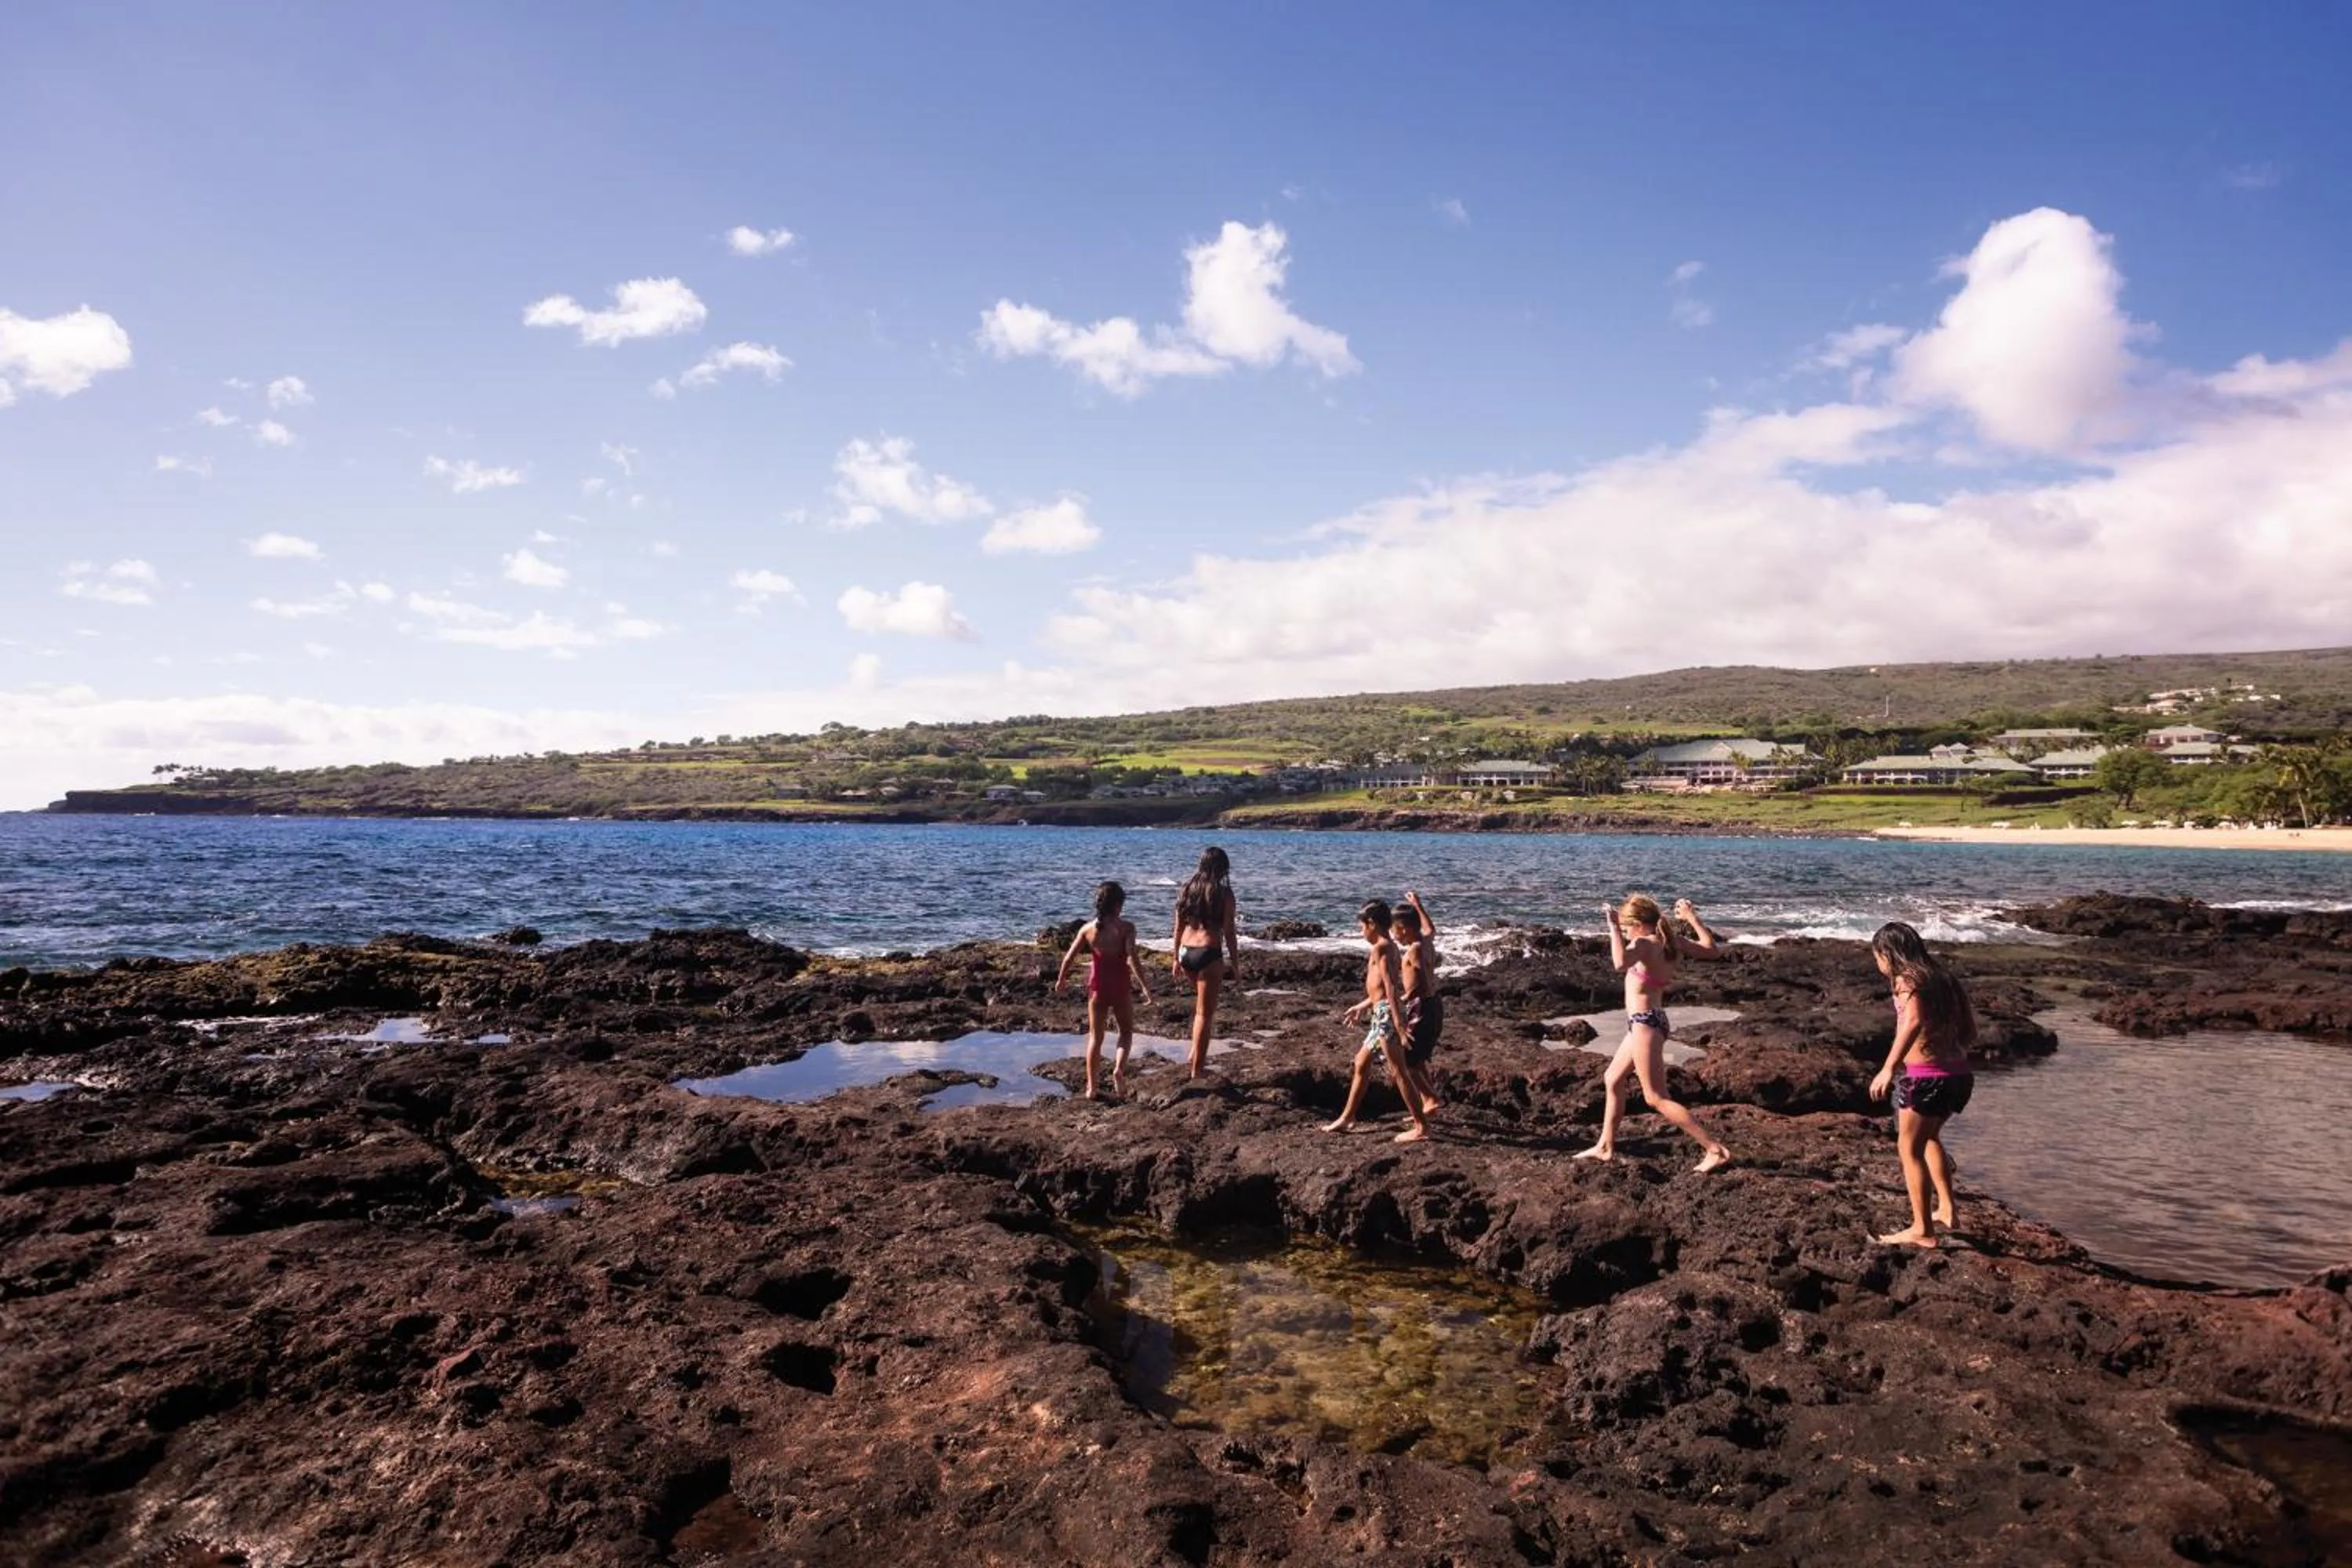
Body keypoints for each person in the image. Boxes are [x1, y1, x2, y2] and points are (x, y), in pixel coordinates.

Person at [1575, 894, 1733, 1173]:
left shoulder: (1644, 944)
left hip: (1644, 1024)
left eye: (1627, 927)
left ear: (1637, 924)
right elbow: (1712, 950)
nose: (1625, 931)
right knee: (1612, 1079)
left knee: (1656, 1097)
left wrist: (1612, 927)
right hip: (1651, 1021)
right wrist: (1692, 918)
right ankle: (1605, 1146)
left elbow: (1619, 963)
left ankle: (1714, 1150)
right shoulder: (1672, 941)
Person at [1866, 920, 1977, 1248]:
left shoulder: (1907, 980)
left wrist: (1888, 1068)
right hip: (1959, 1075)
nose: (1878, 964)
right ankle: (1948, 1210)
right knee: (1929, 1138)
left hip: (1927, 1078)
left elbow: (1912, 1021)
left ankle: (1922, 1230)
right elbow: (1969, 1025)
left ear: (1888, 953)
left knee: (1908, 1148)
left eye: (1877, 957)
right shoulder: (1943, 979)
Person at [1323, 898, 1432, 1143]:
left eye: (1362, 927)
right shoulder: (1390, 946)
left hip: (1386, 1015)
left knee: (1399, 1071)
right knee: (1361, 1063)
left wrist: (1399, 1024)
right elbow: (1381, 988)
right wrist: (1362, 1006)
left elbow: (1391, 987)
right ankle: (1348, 1117)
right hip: (1380, 1012)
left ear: (1372, 924)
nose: (1361, 932)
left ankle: (1421, 1126)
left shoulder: (1380, 948)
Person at [1053, 881, 1153, 1099]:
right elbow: (1132, 958)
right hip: (1120, 986)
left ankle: (1092, 1087)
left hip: (1097, 987)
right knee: (1125, 1032)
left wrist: (1061, 979)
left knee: (1095, 1038)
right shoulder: (1127, 928)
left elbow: (1069, 957)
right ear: (1118, 905)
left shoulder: (1087, 930)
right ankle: (1118, 1069)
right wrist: (1145, 987)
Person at [1171, 846, 1240, 1079]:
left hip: (1186, 952)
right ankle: (1197, 1070)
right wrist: (1235, 964)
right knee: (1204, 1015)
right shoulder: (1225, 894)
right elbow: (1229, 932)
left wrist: (1175, 958)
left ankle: (1194, 1056)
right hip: (1208, 953)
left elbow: (1178, 927)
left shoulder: (1186, 889)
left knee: (1200, 1009)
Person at [1391, 891, 1443, 1116]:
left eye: (1393, 930)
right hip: (1432, 1004)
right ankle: (1428, 1101)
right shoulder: (1426, 941)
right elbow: (1430, 928)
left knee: (1405, 1059)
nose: (1393, 935)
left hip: (1421, 1006)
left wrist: (1402, 999)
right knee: (1417, 1058)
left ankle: (1431, 1098)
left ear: (1404, 928)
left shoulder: (1415, 950)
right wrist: (1418, 905)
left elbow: (1421, 982)